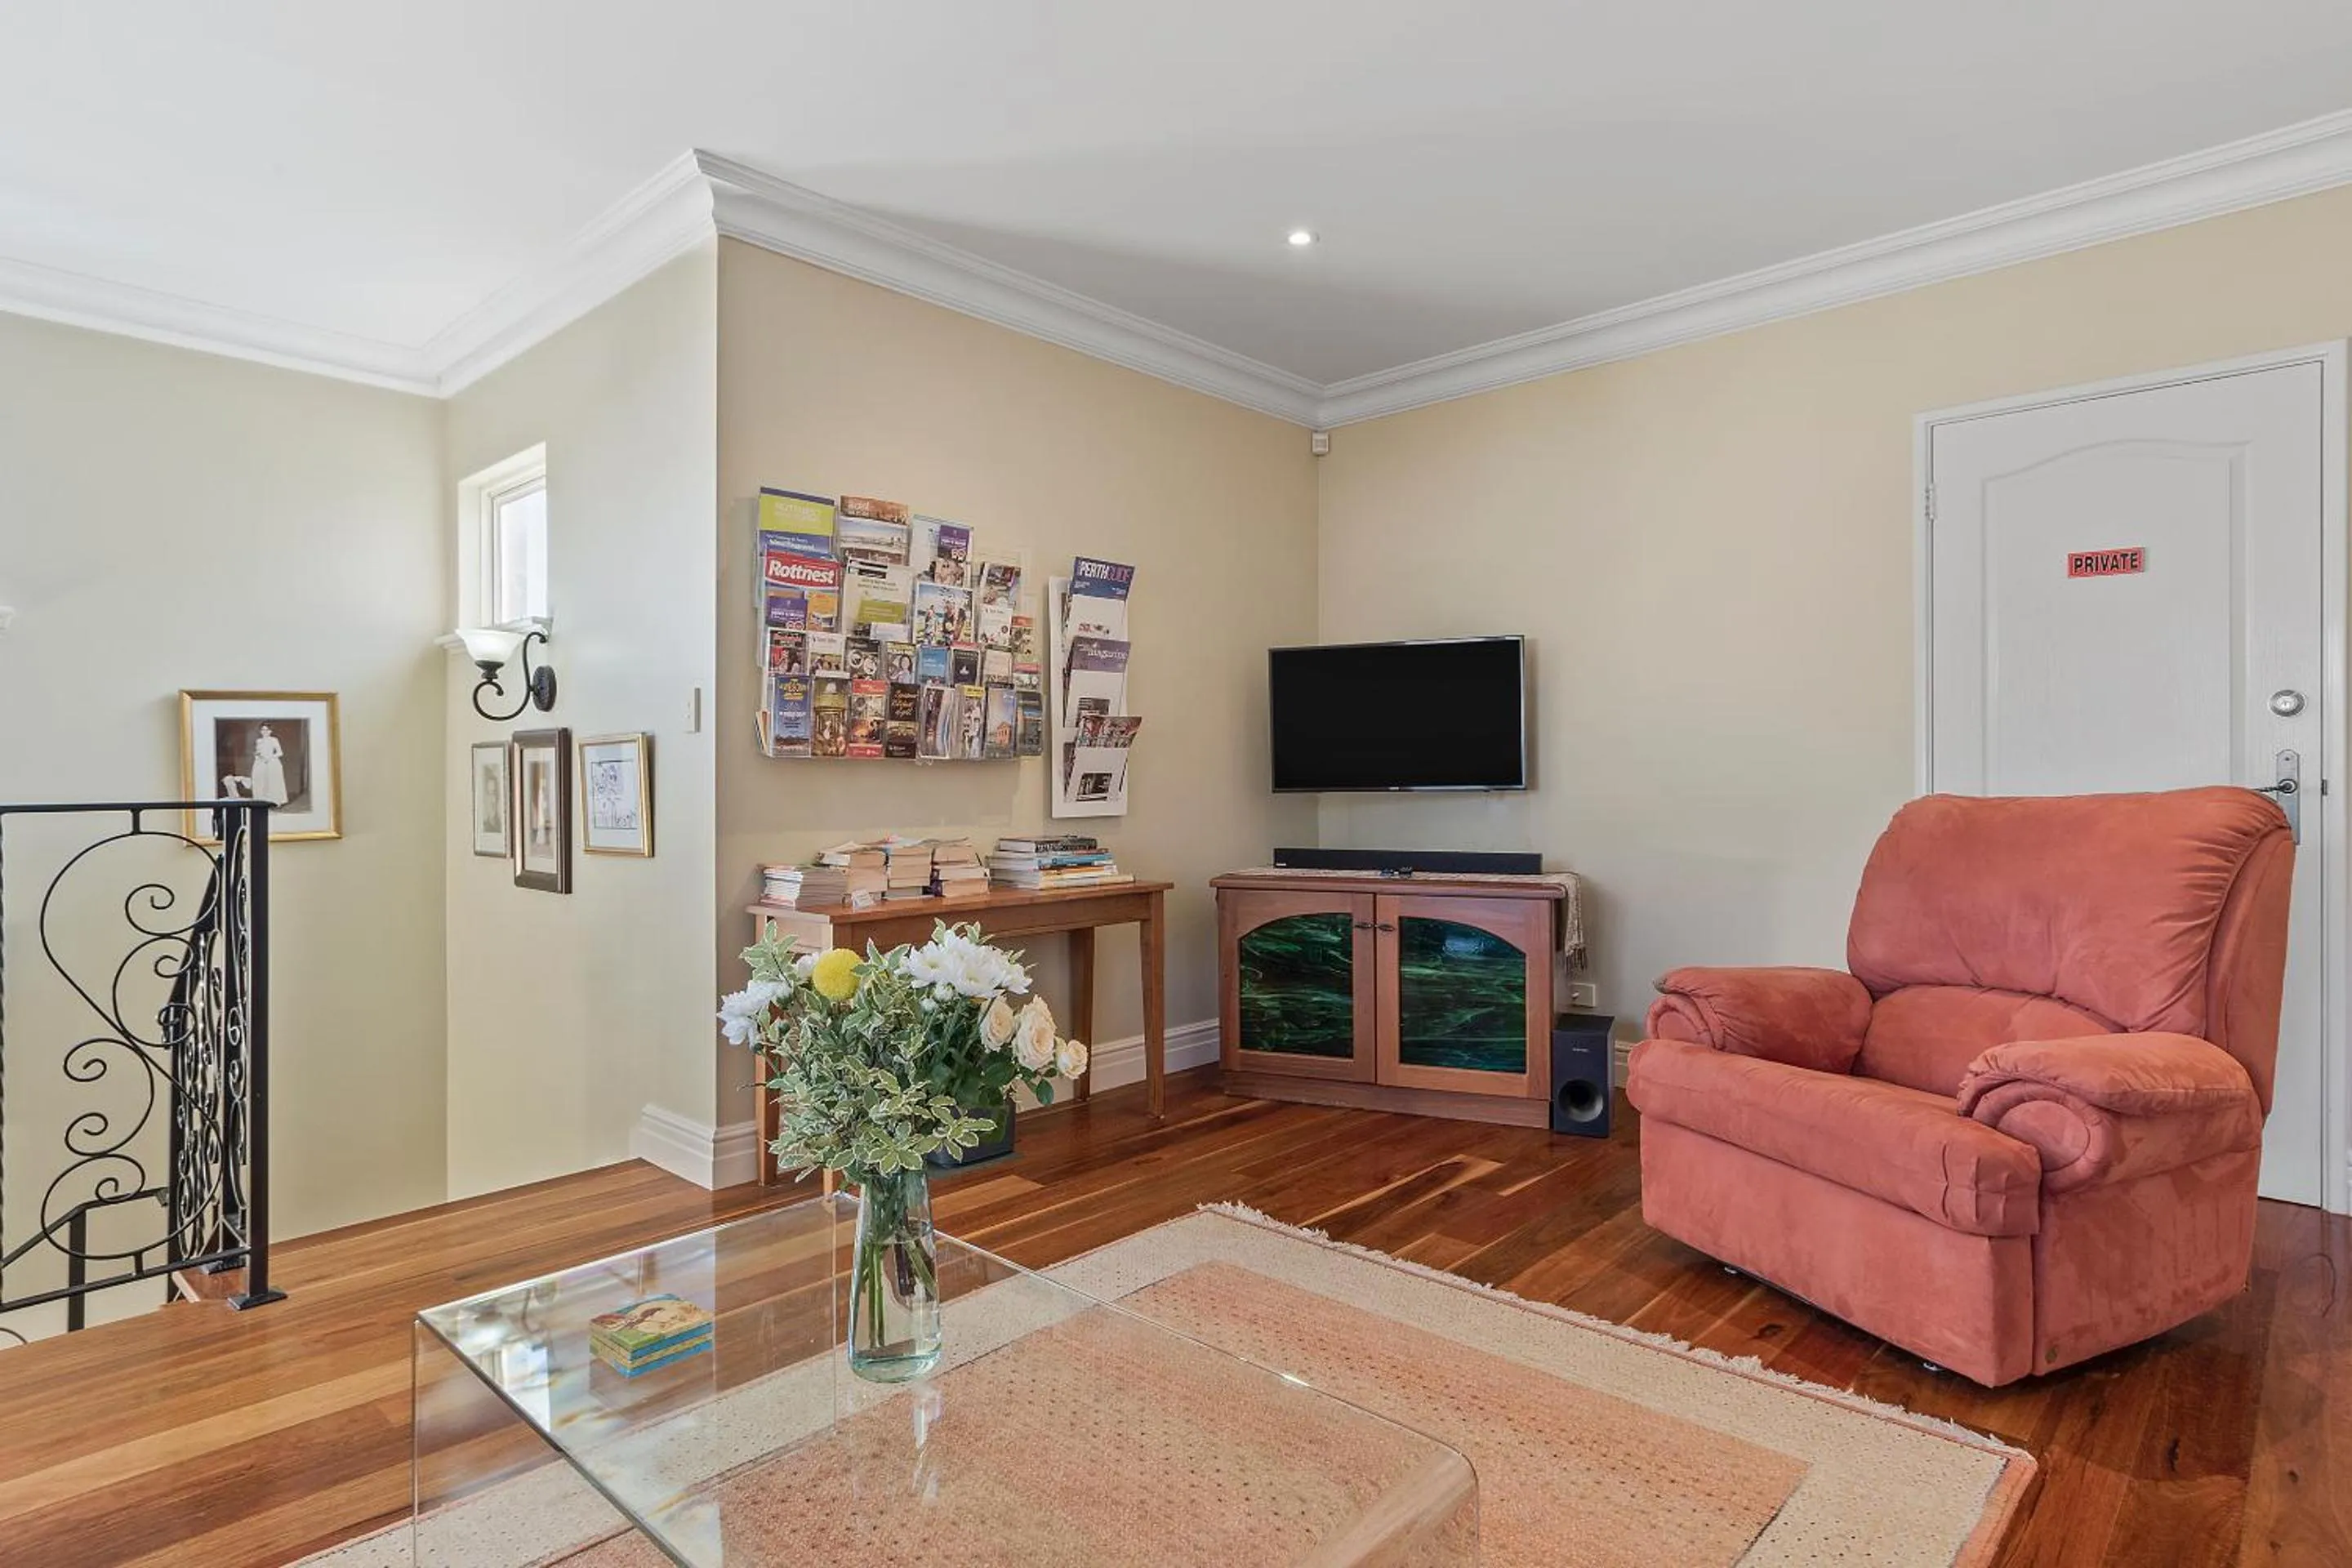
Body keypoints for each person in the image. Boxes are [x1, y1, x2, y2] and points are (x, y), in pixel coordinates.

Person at [249, 725, 289, 805]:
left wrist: (270, 758)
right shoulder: (258, 741)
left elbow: (280, 753)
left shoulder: (274, 740)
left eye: (267, 730)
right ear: (260, 731)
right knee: (260, 781)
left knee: (272, 781)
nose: (265, 732)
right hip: (260, 762)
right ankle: (261, 801)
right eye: (263, 730)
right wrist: (257, 755)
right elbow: (258, 752)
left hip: (272, 762)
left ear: (270, 731)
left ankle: (274, 801)